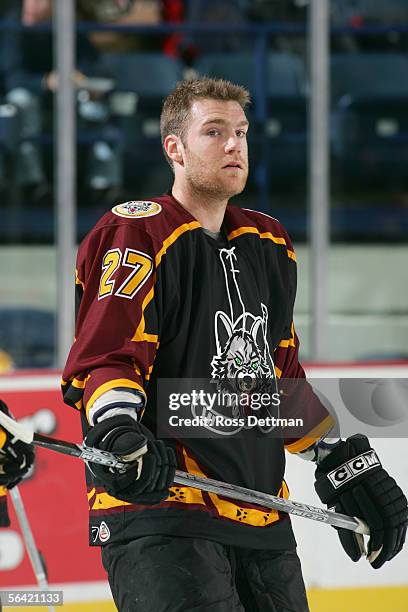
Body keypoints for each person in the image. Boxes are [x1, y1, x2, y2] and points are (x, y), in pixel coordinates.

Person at [57, 77, 406, 611]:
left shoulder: (267, 242)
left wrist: (338, 456)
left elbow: (279, 378)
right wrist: (116, 425)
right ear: (174, 148)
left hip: (262, 515)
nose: (233, 145)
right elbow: (109, 355)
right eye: (214, 132)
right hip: (164, 513)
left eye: (240, 133)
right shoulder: (137, 233)